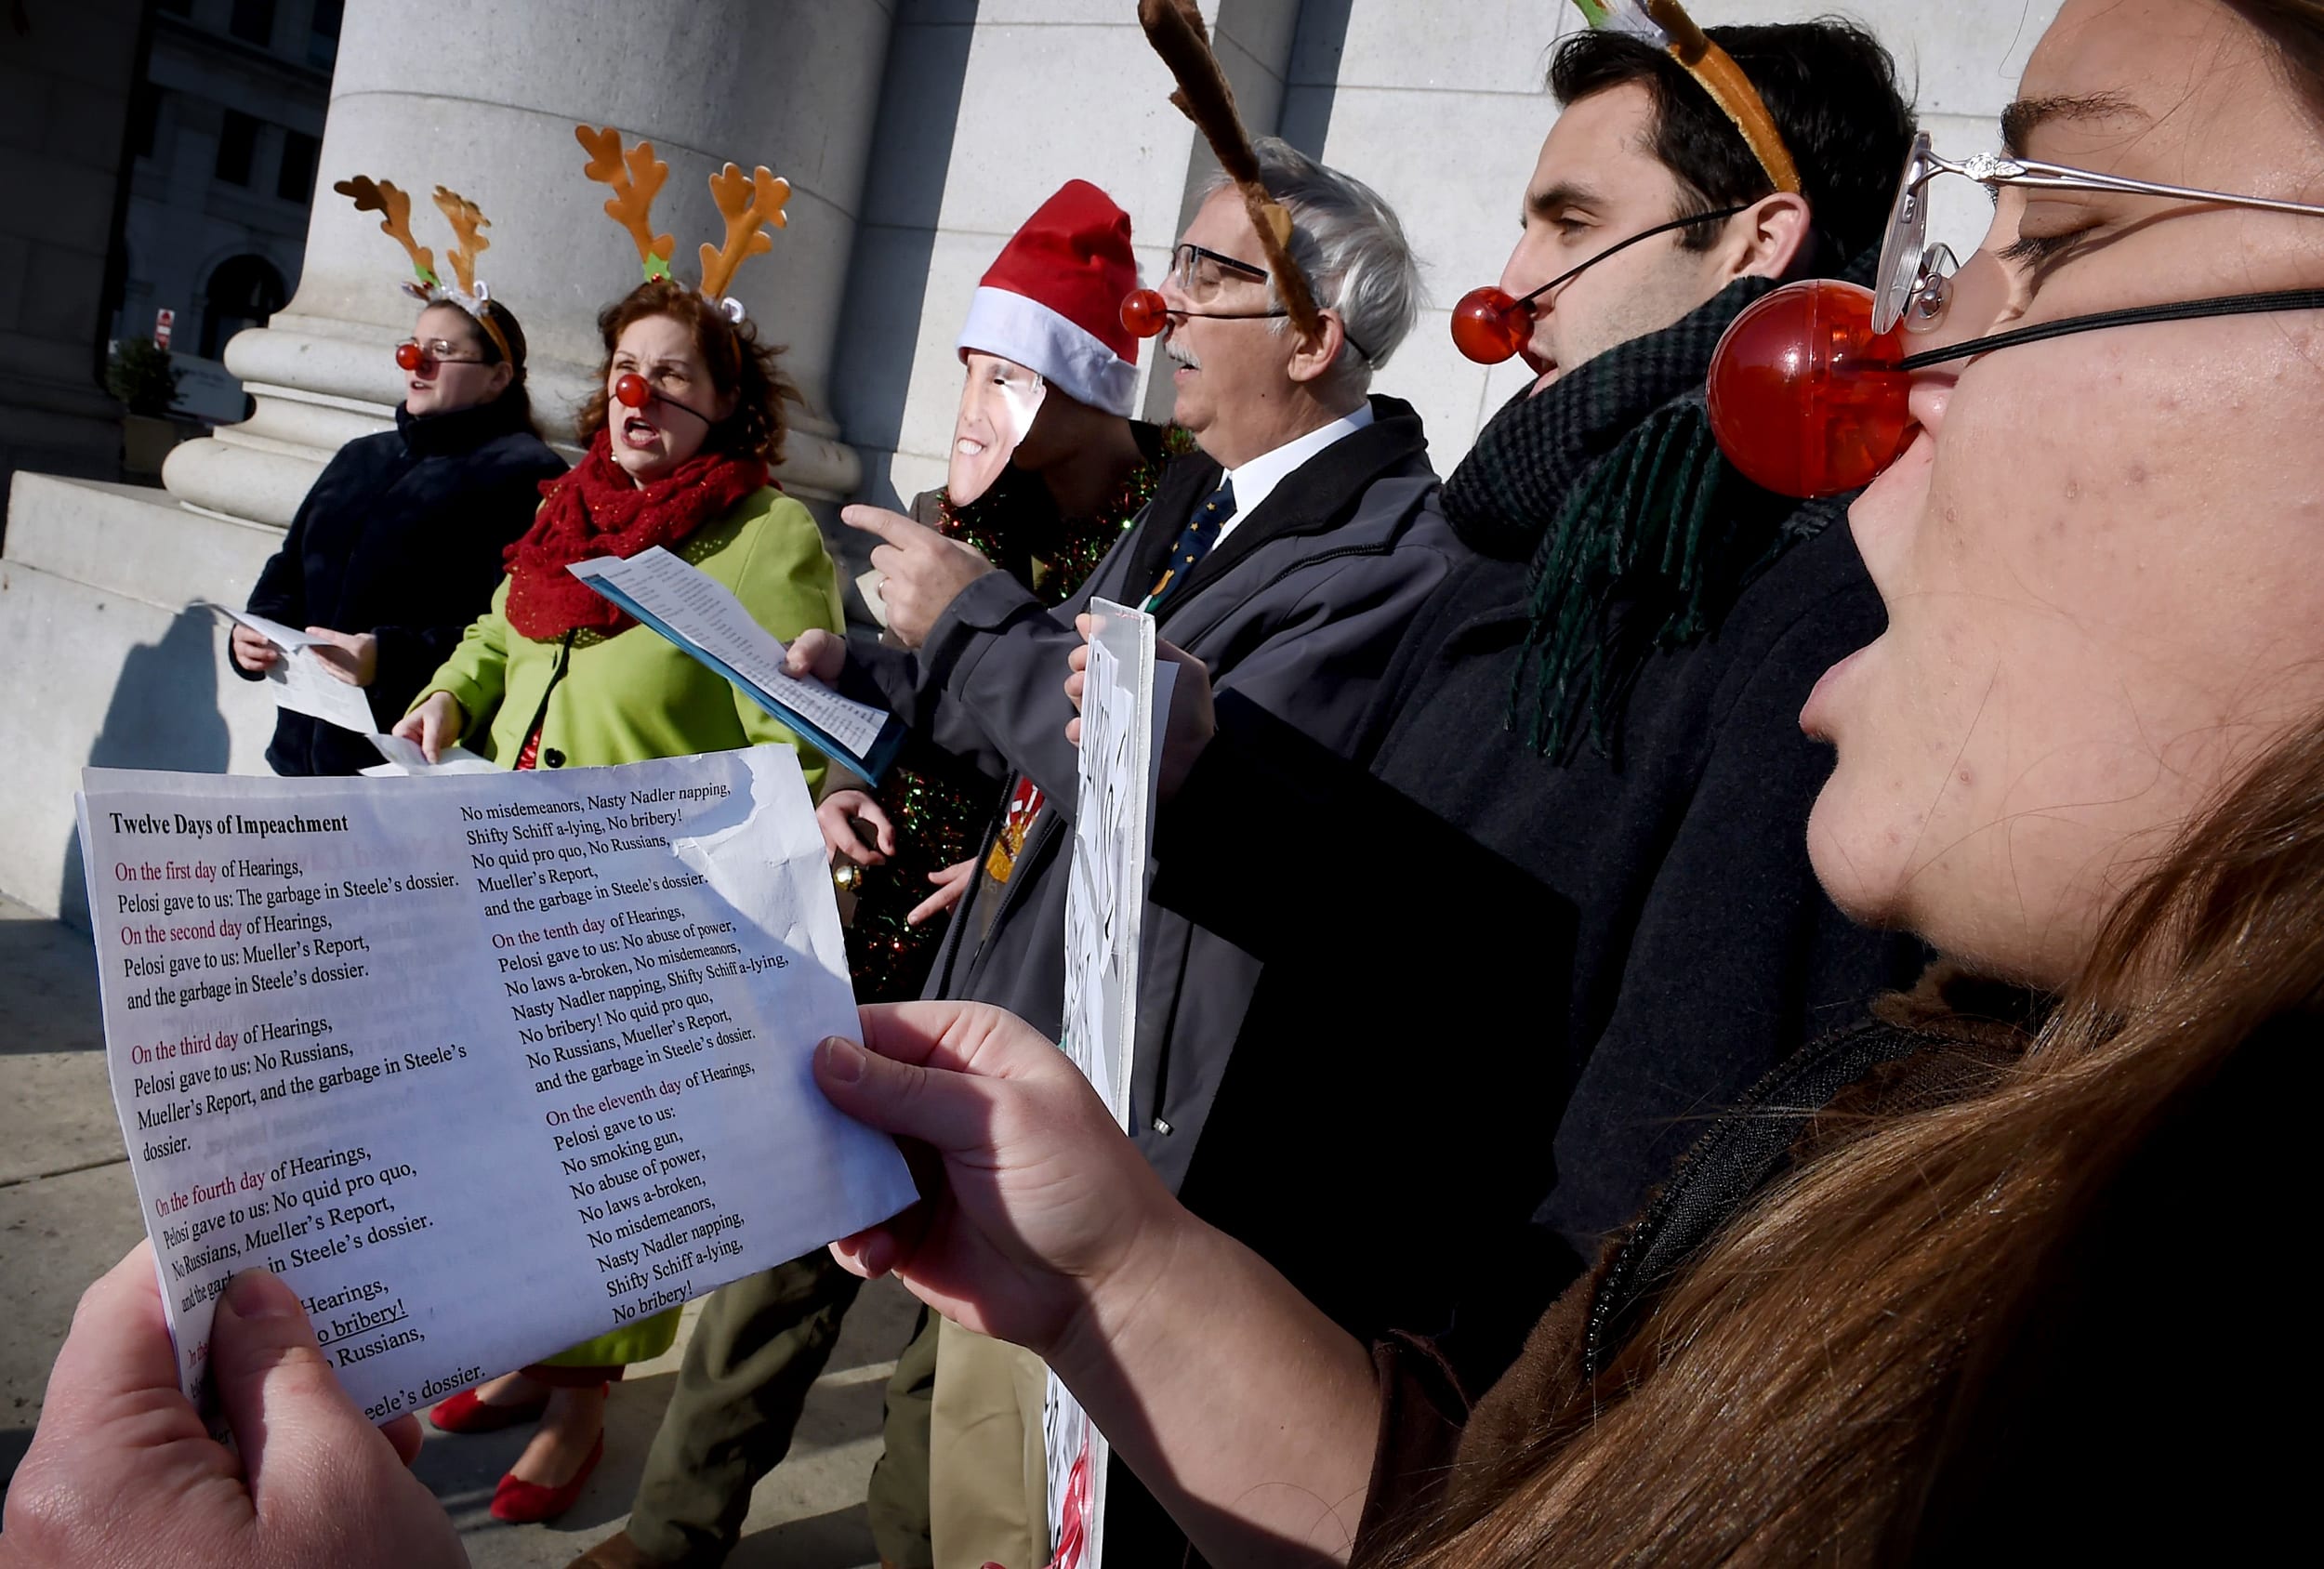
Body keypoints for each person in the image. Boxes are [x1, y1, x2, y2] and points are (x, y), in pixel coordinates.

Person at [15, 4, 2319, 1563]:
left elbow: (1462, 984)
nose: (1892, 413)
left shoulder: (1626, 587)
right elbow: (1519, 1494)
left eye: (2068, 239)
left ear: (1760, 247)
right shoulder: (1530, 581)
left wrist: (1035, 695)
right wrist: (1113, 1237)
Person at [794, 132, 1456, 1564]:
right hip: (1041, 1056)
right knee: (952, 1480)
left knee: (1017, 1515)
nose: (1155, 314)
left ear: (1314, 335)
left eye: (1205, 279)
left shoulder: (1391, 552)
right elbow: (1036, 721)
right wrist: (868, 673)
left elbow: (1184, 785)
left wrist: (967, 621)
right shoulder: (1188, 502)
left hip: (1137, 1127)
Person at [570, 179, 1189, 1569]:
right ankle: (673, 1531)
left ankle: (912, 1543)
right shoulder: (943, 508)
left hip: (1024, 975)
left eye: (1009, 376)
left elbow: (1138, 747)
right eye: (972, 374)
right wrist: (848, 767)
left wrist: (1019, 858)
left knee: (960, 1312)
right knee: (781, 1246)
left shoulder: (1178, 528)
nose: (982, 407)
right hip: (878, 937)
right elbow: (905, 706)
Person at [390, 132, 844, 1525]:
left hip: (646, 902)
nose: (637, 394)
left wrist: (826, 787)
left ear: (724, 407)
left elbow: (796, 724)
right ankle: (535, 1352)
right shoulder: (561, 508)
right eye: (623, 370)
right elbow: (495, 633)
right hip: (501, 870)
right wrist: (442, 701)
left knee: (604, 1164)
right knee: (504, 1135)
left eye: (674, 375)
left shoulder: (764, 538)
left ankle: (584, 1401)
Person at [231, 181, 564, 775]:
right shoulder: (361, 455)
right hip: (299, 750)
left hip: (399, 758)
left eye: (441, 350)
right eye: (412, 347)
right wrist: (256, 631)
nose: (418, 363)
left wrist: (388, 656)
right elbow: (290, 565)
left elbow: (507, 624)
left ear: (498, 378)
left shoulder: (524, 474)